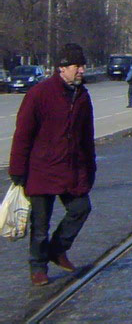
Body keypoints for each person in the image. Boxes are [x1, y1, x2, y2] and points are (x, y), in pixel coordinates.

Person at [9, 43, 96, 286]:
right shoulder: (39, 93)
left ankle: (57, 249)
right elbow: (23, 134)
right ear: (62, 68)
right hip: (41, 169)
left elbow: (87, 135)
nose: (81, 70)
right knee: (40, 224)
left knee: (81, 208)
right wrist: (17, 170)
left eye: (82, 65)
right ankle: (38, 267)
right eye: (77, 66)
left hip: (72, 168)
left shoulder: (82, 95)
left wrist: (90, 168)